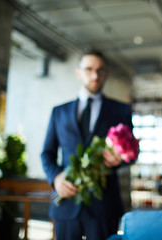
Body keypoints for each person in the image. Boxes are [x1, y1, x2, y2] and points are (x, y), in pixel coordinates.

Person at [41, 50, 134, 240]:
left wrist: (119, 161)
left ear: (106, 73)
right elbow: (47, 153)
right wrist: (56, 178)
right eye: (89, 69)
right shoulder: (59, 112)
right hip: (66, 203)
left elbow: (132, 154)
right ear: (78, 73)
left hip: (104, 205)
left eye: (100, 70)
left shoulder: (121, 110)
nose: (95, 75)